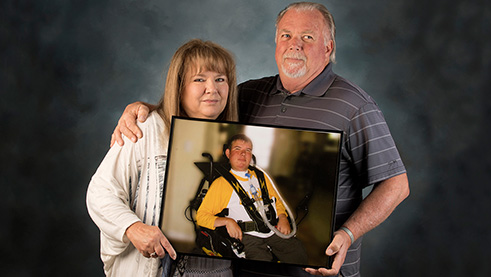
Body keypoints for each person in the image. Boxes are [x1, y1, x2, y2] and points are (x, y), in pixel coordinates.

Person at [110, 2, 410, 277]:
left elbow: (397, 185)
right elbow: (199, 107)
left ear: (328, 47)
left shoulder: (355, 106)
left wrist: (347, 234)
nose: (294, 45)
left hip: (319, 270)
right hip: (247, 271)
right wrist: (147, 112)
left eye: (307, 37)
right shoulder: (249, 94)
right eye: (286, 35)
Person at [86, 39, 238, 276]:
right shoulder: (146, 129)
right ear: (179, 87)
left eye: (220, 79)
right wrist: (132, 227)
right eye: (199, 79)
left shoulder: (237, 142)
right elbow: (101, 191)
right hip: (154, 269)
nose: (213, 88)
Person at [196, 134, 307, 264]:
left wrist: (282, 217)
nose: (243, 154)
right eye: (238, 149)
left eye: (248, 150)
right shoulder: (221, 184)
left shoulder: (261, 176)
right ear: (228, 153)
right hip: (247, 236)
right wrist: (227, 221)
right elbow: (201, 217)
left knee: (298, 253)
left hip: (273, 229)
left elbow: (276, 201)